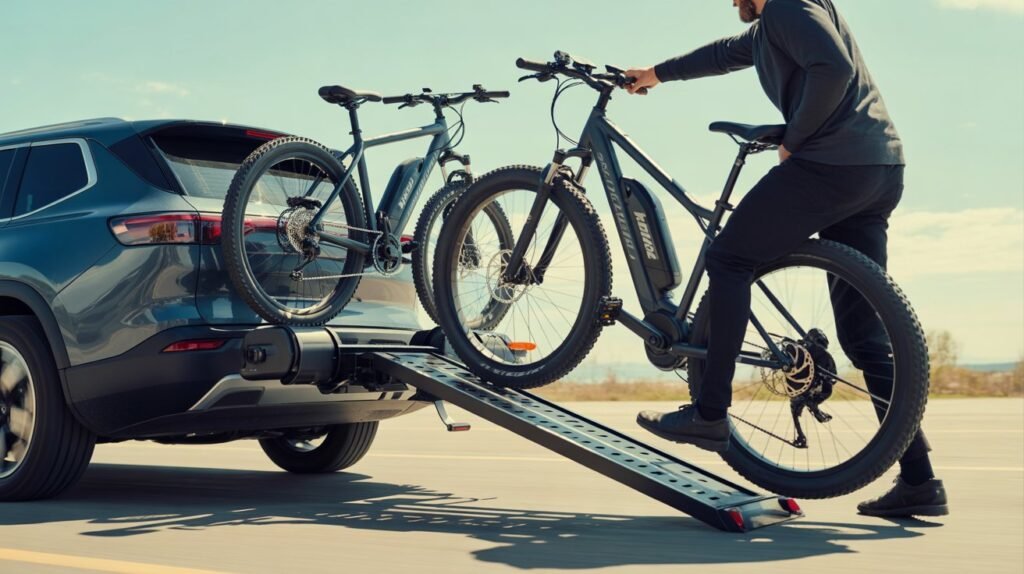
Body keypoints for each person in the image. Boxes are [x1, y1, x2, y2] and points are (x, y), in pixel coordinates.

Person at [624, 0, 948, 517]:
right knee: (864, 334)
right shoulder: (786, 18)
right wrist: (657, 75)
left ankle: (709, 413)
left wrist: (795, 140)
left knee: (729, 260)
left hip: (830, 165)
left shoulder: (788, 6)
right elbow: (727, 53)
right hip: (877, 166)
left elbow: (834, 68)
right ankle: (919, 480)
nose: (732, 2)